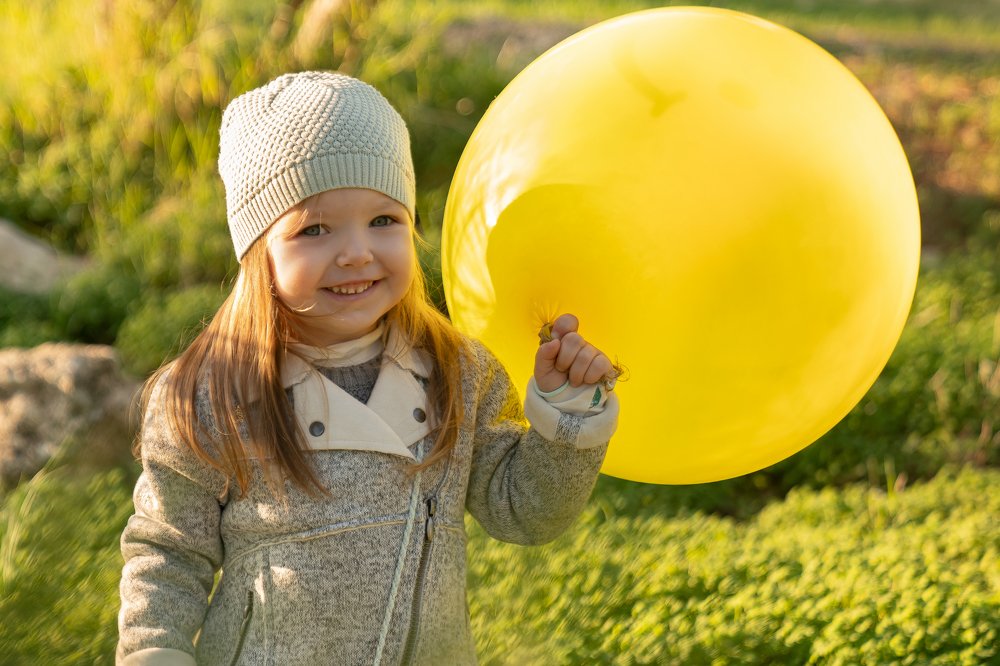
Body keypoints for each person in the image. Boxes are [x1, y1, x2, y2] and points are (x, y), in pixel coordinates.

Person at [116, 71, 620, 666]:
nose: (356, 251)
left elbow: (524, 511)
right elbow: (168, 553)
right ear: (259, 251)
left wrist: (567, 416)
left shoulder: (458, 372)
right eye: (315, 229)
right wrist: (154, 651)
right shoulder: (210, 393)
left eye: (383, 221)